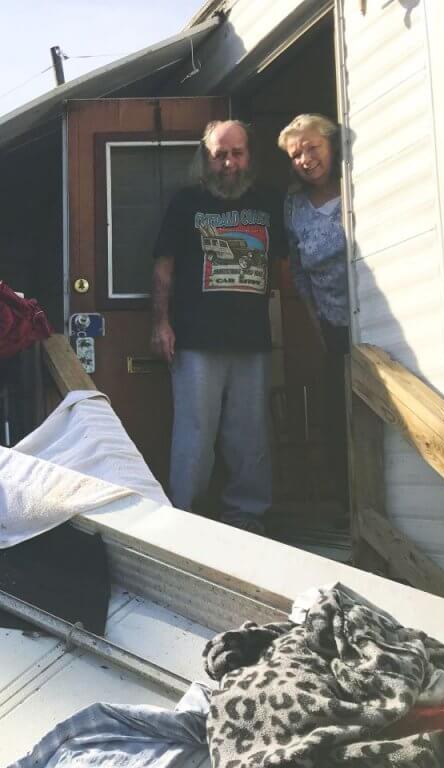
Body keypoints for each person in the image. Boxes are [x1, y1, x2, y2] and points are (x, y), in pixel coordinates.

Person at [151, 120, 286, 533]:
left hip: (252, 340)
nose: (228, 162)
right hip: (195, 339)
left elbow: (281, 270)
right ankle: (186, 518)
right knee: (195, 433)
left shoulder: (268, 201)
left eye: (236, 153)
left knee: (250, 435)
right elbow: (163, 268)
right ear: (206, 158)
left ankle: (248, 516)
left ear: (249, 155)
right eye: (219, 154)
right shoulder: (186, 202)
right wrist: (160, 323)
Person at [278, 114, 350, 515]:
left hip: (373, 319)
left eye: (312, 148)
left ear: (331, 145)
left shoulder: (357, 184)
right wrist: (316, 323)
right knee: (337, 415)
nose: (305, 159)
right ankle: (347, 504)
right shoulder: (294, 205)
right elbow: (300, 273)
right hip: (333, 326)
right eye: (296, 154)